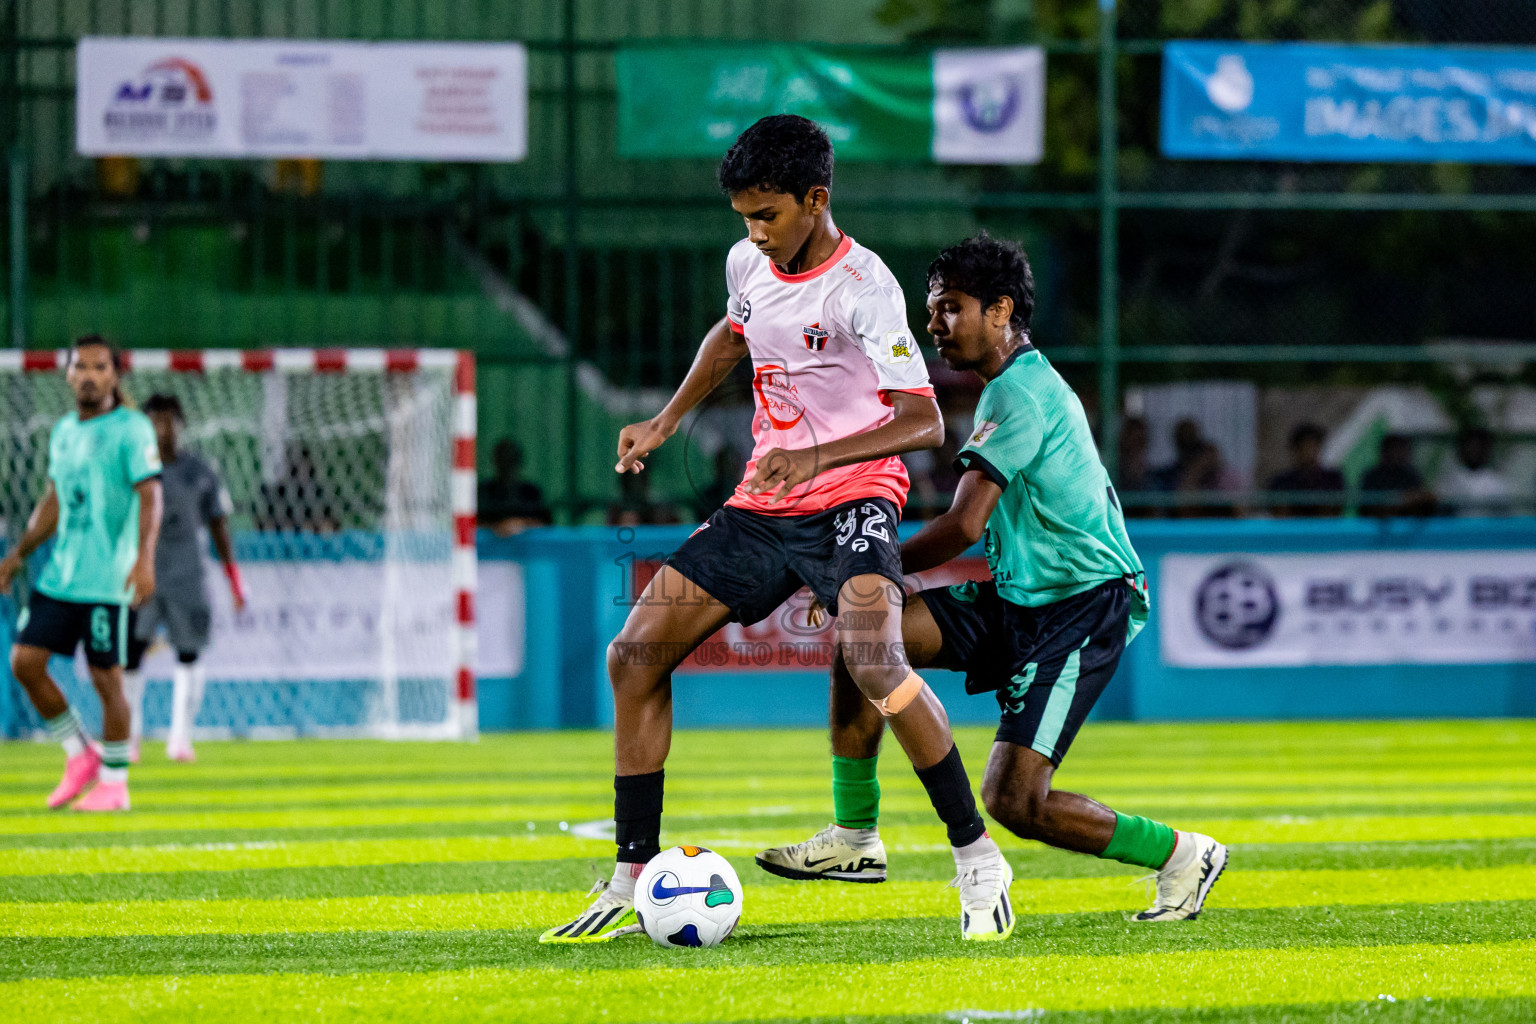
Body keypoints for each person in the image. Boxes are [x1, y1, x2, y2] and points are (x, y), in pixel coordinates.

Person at [540, 115, 1011, 944]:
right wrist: (664, 420)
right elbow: (733, 334)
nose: (753, 234)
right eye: (744, 219)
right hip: (765, 507)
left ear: (815, 199)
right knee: (632, 654)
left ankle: (976, 859)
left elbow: (923, 421)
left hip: (855, 498)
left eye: (766, 216)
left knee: (873, 657)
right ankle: (630, 874)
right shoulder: (747, 263)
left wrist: (818, 457)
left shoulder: (865, 286)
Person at [757, 234, 1228, 922]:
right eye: (932, 310)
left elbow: (961, 528)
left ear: (1001, 310)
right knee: (865, 644)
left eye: (950, 308)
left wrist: (860, 568)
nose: (934, 324)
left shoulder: (1020, 395)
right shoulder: (1009, 389)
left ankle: (1183, 854)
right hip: (1019, 601)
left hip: (1081, 607)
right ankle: (855, 837)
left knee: (1016, 803)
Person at [0, 336, 163, 812]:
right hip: (61, 576)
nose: (90, 375)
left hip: (106, 580)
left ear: (114, 375)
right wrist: (19, 554)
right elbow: (52, 501)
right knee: (25, 663)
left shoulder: (132, 428)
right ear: (68, 375)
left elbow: (152, 496)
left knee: (105, 679)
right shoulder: (65, 431)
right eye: (81, 367)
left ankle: (115, 783)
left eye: (100, 367)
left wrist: (145, 558)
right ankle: (79, 754)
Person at [121, 393, 246, 763]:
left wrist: (234, 579)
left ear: (181, 425)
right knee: (130, 653)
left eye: (169, 420)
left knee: (189, 653)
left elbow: (219, 525)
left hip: (187, 576)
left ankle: (180, 739)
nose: (162, 428)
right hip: (140, 573)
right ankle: (129, 737)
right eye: (154, 420)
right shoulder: (130, 468)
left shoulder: (200, 471)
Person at [1265, 423, 1345, 517]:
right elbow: (1278, 512)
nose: (1310, 453)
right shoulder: (1280, 481)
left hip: (1325, 530)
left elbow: (1335, 508)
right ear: (1295, 450)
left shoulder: (1332, 478)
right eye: (1305, 447)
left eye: (1314, 447)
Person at [477, 439, 552, 536]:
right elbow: (472, 523)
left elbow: (547, 525)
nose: (507, 465)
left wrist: (521, 523)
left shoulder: (531, 491)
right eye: (503, 459)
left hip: (529, 548)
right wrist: (497, 526)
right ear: (495, 460)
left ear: (519, 461)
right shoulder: (485, 490)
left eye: (511, 459)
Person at [1436, 426, 1513, 517]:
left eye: (1479, 446)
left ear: (1487, 450)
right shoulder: (1448, 480)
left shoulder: (1495, 483)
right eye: (1470, 446)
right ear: (1461, 449)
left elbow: (1504, 516)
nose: (1474, 450)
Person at [1360, 433, 1435, 518]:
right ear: (1385, 451)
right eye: (1395, 449)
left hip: (1406, 524)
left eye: (1403, 449)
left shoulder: (1412, 474)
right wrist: (1401, 501)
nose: (1399, 454)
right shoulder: (1372, 476)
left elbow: (1422, 499)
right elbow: (1368, 505)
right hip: (1375, 525)